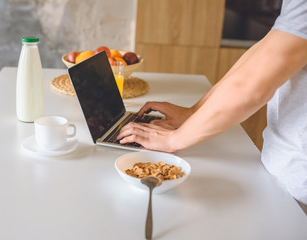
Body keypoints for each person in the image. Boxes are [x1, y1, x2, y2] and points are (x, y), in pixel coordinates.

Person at [117, 0, 307, 207]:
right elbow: (263, 50)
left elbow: (253, 85)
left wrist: (174, 140)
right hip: (285, 179)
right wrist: (194, 113)